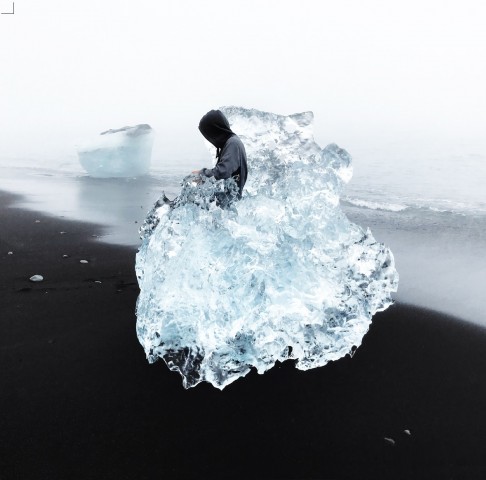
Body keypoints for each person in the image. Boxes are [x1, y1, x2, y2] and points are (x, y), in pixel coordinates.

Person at [192, 109, 248, 199]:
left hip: (231, 203)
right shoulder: (230, 143)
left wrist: (203, 174)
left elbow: (224, 171)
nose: (210, 140)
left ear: (216, 131)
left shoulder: (233, 143)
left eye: (209, 135)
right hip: (227, 202)